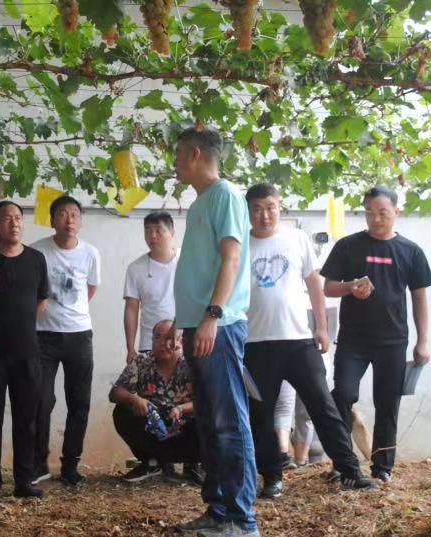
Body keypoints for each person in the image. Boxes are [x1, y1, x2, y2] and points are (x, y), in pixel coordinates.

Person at [243, 183, 376, 499]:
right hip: (256, 344)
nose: (265, 215)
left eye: (270, 207)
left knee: (323, 405)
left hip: (299, 340)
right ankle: (272, 475)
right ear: (248, 212)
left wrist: (322, 327)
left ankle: (349, 470)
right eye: (257, 209)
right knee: (260, 414)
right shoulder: (239, 244)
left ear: (280, 208)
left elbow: (314, 284)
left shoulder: (297, 238)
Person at [167, 128, 258, 537]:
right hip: (198, 324)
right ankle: (219, 511)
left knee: (229, 421)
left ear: (195, 154)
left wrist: (213, 315)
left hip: (218, 326)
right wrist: (184, 320)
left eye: (177, 154)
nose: (174, 162)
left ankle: (241, 520)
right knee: (209, 422)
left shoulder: (225, 195)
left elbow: (231, 258)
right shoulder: (202, 202)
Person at [323, 185, 431, 483]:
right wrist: (350, 287)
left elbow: (419, 298)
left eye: (383, 213)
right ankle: (342, 463)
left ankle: (382, 467)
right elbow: (328, 288)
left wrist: (423, 341)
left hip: (393, 341)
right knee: (343, 394)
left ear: (396, 212)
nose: (375, 219)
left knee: (387, 403)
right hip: (353, 340)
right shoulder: (348, 246)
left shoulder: (411, 251)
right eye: (369, 212)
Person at [31, 195, 101, 487]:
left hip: (79, 335)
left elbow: (90, 289)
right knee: (41, 400)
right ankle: (38, 462)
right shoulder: (37, 252)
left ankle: (71, 464)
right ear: (52, 220)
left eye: (74, 214)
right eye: (62, 214)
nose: (69, 220)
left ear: (81, 221)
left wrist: (71, 313)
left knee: (79, 402)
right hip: (43, 336)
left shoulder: (90, 253)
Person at [0, 201, 49, 503]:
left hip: (27, 352)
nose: (14, 223)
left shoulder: (36, 259)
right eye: (7, 218)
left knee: (27, 418)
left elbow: (41, 300)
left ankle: (24, 480)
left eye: (18, 218)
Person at [109, 320, 201, 484]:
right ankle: (152, 463)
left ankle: (194, 465)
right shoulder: (142, 362)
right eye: (158, 337)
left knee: (208, 417)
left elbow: (206, 401)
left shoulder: (192, 365)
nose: (163, 343)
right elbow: (115, 392)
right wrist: (134, 399)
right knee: (123, 411)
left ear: (181, 342)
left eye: (169, 338)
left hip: (184, 429)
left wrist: (181, 409)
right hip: (152, 428)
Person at [124, 212, 178, 362]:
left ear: (171, 233)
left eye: (158, 230)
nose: (152, 236)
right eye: (147, 231)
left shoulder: (186, 261)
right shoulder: (135, 268)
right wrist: (130, 348)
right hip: (150, 343)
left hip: (181, 341)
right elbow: (131, 309)